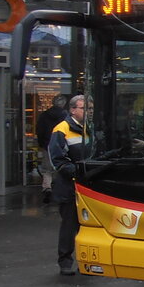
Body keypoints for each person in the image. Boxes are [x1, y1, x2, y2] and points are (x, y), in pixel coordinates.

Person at [48, 94, 93, 276]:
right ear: (73, 109)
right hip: (69, 186)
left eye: (90, 109)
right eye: (84, 109)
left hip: (87, 185)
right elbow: (57, 160)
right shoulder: (62, 128)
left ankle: (88, 261)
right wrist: (77, 172)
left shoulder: (89, 128)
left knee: (87, 226)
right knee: (70, 224)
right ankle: (65, 261)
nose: (88, 112)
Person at [34, 94, 68, 203]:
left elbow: (39, 130)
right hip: (61, 145)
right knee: (60, 167)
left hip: (47, 145)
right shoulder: (65, 116)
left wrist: (42, 143)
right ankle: (59, 188)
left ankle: (47, 188)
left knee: (47, 169)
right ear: (63, 104)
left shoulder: (44, 115)